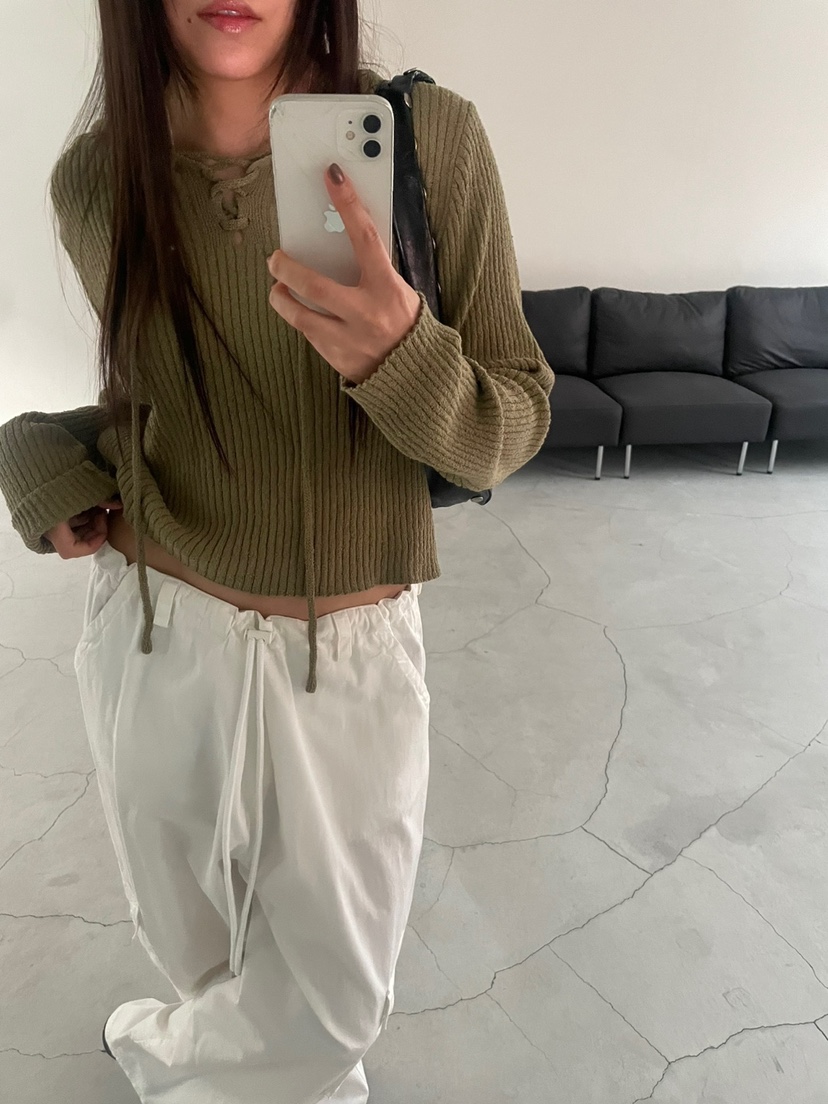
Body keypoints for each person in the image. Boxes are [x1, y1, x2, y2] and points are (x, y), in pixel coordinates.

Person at [0, 0, 555, 1100]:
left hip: (338, 656)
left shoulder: (429, 140)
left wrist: (402, 356)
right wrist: (33, 455)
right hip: (154, 636)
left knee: (335, 1006)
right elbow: (157, 409)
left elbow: (512, 422)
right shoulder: (97, 180)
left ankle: (169, 1054)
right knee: (197, 952)